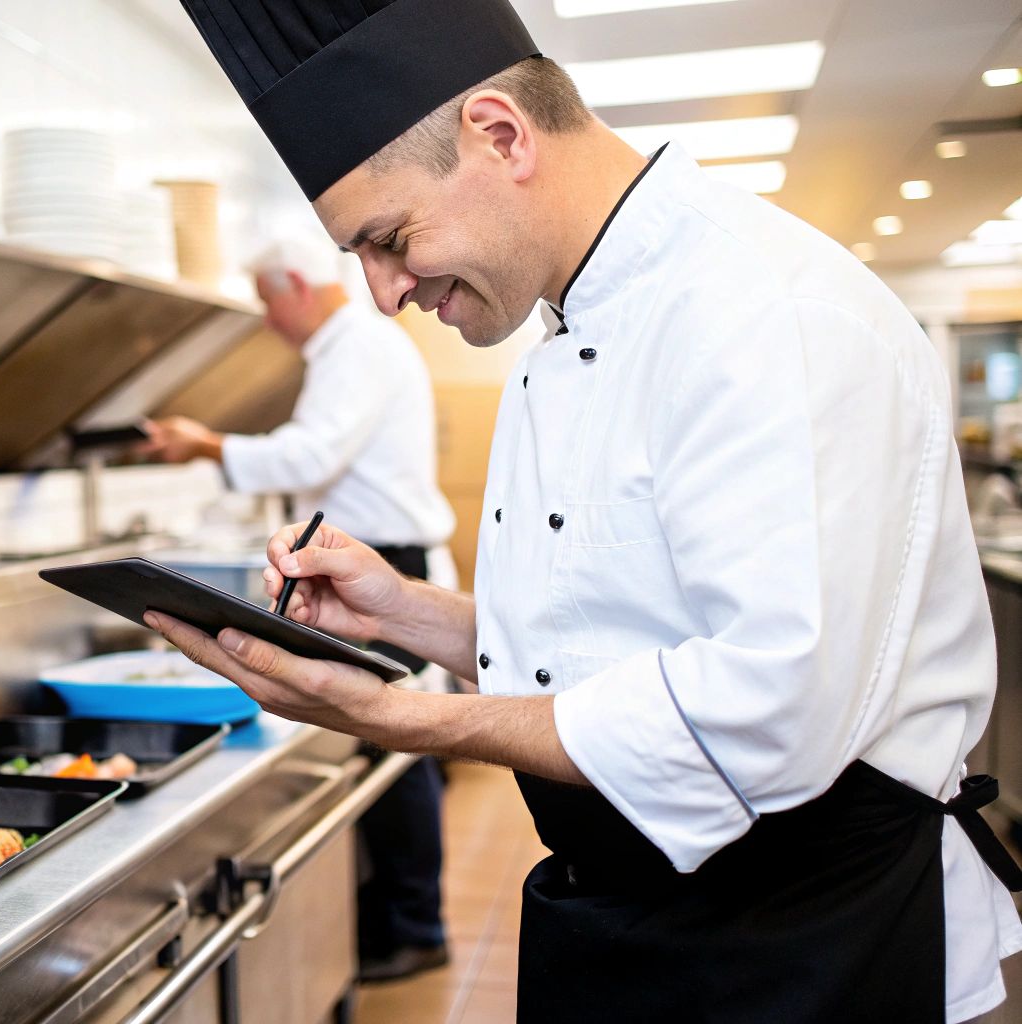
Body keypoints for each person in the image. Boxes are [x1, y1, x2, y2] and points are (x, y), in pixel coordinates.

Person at [140, 0, 1022, 1020]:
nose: (382, 294)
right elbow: (614, 639)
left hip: (802, 939)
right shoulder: (567, 320)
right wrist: (399, 613)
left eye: (388, 239)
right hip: (632, 917)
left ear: (500, 133)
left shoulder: (763, 313)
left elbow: (765, 709)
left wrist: (407, 717)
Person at [143, 233, 458, 981]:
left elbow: (311, 456)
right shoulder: (350, 349)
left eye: (265, 301)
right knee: (382, 737)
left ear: (294, 285)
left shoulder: (359, 347)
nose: (266, 319)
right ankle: (397, 915)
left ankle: (417, 926)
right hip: (368, 560)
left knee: (396, 744)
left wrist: (206, 445)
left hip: (385, 567)